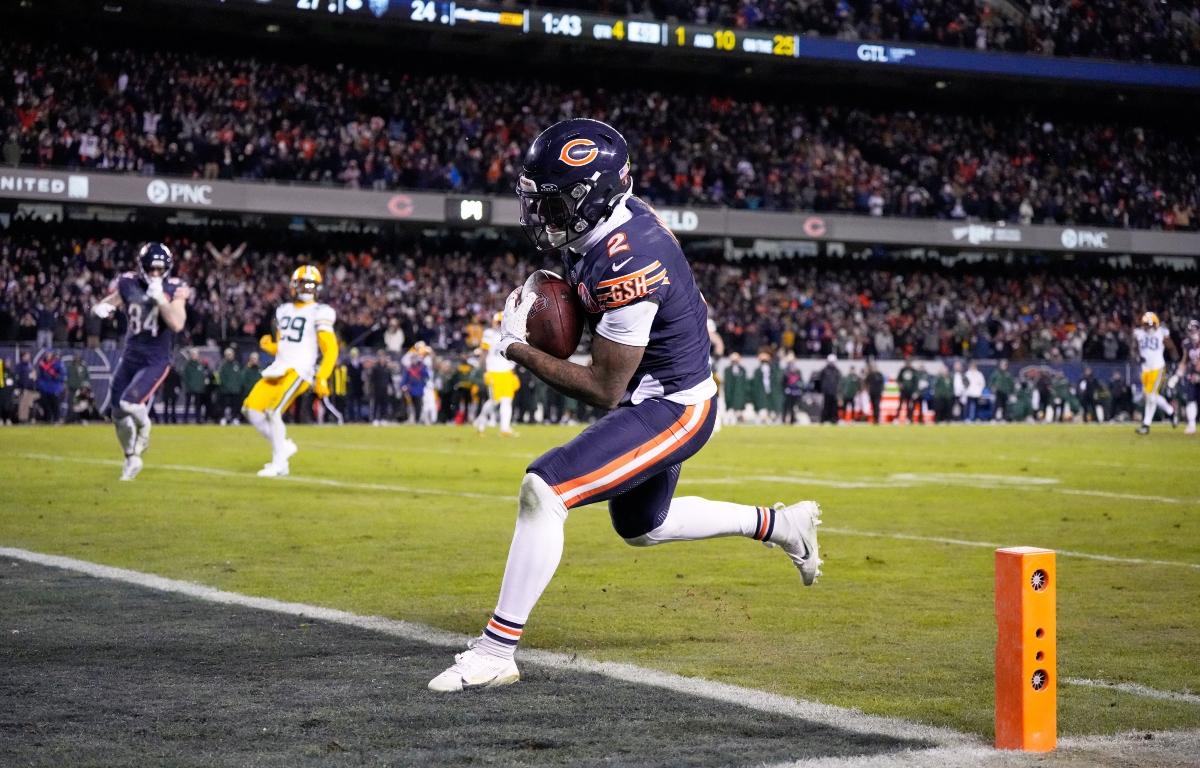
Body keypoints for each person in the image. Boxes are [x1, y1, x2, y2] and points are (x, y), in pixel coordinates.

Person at [429, 118, 821, 693]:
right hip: (653, 389)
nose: (541, 215)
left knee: (545, 489)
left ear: (595, 196)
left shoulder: (629, 258)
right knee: (642, 526)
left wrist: (515, 347)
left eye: (556, 202)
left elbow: (603, 389)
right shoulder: (611, 223)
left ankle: (495, 651)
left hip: (672, 406)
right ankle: (780, 524)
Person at [91, 243, 190, 480]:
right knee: (117, 413)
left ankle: (144, 428)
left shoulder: (174, 288)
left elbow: (177, 323)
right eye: (151, 269)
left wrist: (161, 300)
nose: (155, 274)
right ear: (142, 267)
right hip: (130, 356)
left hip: (155, 359)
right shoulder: (129, 283)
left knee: (129, 403)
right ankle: (131, 457)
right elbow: (112, 301)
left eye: (160, 269)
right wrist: (102, 307)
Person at [242, 265, 338, 477]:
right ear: (294, 285)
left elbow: (330, 348)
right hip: (279, 367)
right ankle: (283, 447)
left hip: (300, 369)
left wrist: (322, 376)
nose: (307, 289)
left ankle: (279, 463)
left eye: (311, 285)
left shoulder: (320, 311)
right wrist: (271, 347)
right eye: (304, 284)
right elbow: (287, 344)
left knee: (273, 411)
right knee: (251, 410)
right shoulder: (283, 310)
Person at [474, 312, 521, 436]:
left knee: (507, 400)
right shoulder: (489, 334)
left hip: (507, 372)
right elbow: (484, 352)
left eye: (503, 322)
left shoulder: (513, 335)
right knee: (494, 401)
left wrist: (513, 371)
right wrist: (484, 370)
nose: (501, 325)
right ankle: (481, 421)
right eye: (499, 322)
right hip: (494, 371)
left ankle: (505, 429)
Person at [1133, 311, 1178, 435]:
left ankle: (1146, 425)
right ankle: (1171, 412)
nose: (1149, 327)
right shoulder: (1139, 333)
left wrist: (1175, 363)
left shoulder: (1162, 332)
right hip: (1145, 369)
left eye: (1151, 324)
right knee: (1149, 395)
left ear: (1156, 323)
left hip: (1158, 368)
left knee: (1151, 396)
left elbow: (1171, 347)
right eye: (1147, 324)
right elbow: (1135, 348)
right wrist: (1137, 356)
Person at [35, 350, 66, 423]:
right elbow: (40, 376)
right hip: (45, 388)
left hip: (55, 387)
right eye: (46, 354)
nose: (47, 356)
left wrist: (53, 374)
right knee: (46, 404)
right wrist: (40, 385)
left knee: (55, 404)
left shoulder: (58, 364)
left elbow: (61, 377)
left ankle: (56, 419)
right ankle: (48, 419)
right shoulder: (42, 364)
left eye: (49, 354)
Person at [215, 348, 243, 425]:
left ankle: (234, 418)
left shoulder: (237, 365)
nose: (229, 356)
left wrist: (238, 386)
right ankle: (223, 418)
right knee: (223, 405)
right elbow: (220, 377)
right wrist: (226, 386)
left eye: (230, 354)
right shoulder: (222, 365)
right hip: (225, 390)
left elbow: (240, 377)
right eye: (228, 355)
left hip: (235, 390)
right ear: (225, 355)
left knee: (235, 405)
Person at [1182, 319, 1200, 435]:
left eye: (1195, 330)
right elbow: (1184, 360)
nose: (1193, 332)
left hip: (1197, 373)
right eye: (1190, 330)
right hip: (1193, 375)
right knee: (1191, 399)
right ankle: (1192, 424)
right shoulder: (1187, 343)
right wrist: (1178, 373)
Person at [819, 354, 840, 424]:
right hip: (827, 392)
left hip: (834, 391)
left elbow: (838, 381)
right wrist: (823, 388)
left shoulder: (836, 371)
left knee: (834, 406)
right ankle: (823, 419)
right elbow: (821, 380)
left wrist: (838, 390)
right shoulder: (824, 370)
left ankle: (833, 419)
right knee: (826, 406)